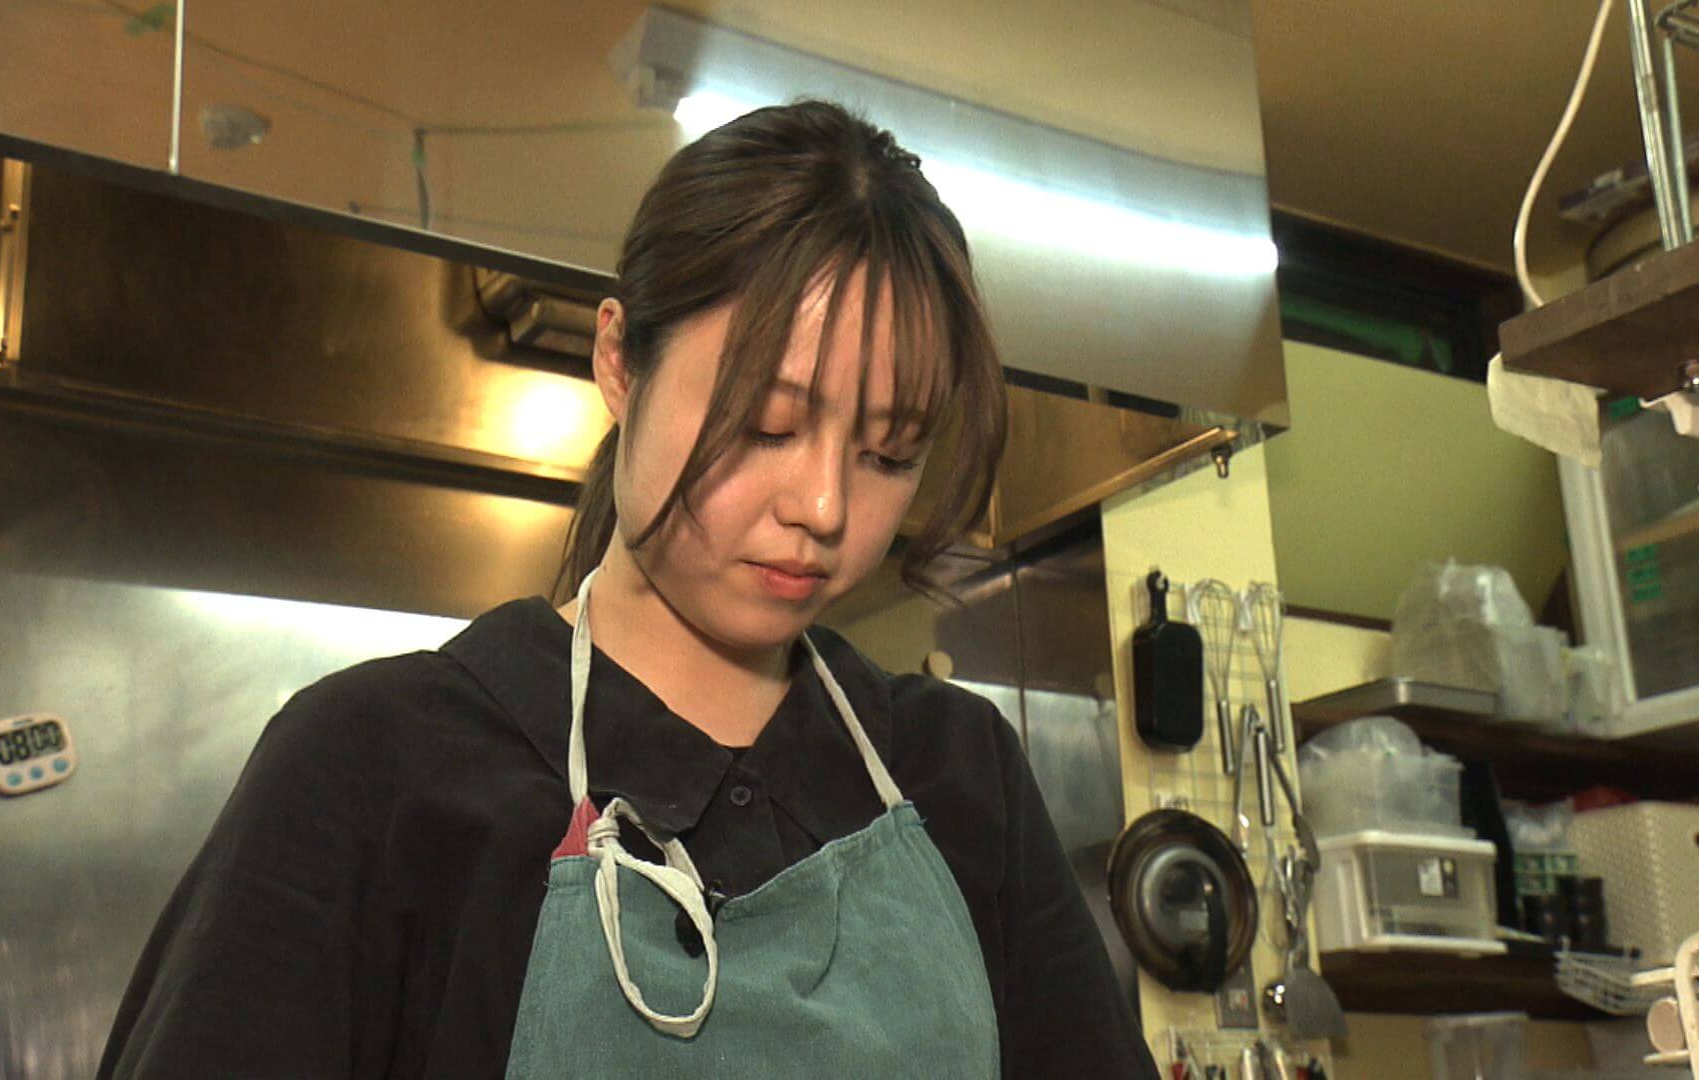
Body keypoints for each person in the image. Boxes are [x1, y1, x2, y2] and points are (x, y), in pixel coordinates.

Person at [99, 100, 1155, 1079]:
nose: (825, 507)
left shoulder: (959, 775)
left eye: (890, 453)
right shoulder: (370, 768)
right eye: (766, 424)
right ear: (620, 361)